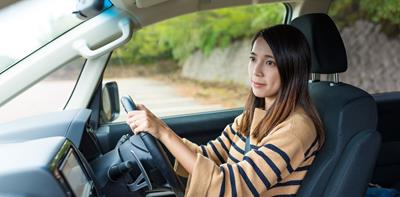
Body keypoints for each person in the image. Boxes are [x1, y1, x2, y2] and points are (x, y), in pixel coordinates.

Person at [126, 24, 325, 196]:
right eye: (253, 58)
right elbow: (209, 155)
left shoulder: (296, 129)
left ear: (292, 68)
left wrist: (164, 133)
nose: (256, 70)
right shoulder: (251, 116)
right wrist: (158, 131)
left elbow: (229, 188)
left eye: (270, 62)